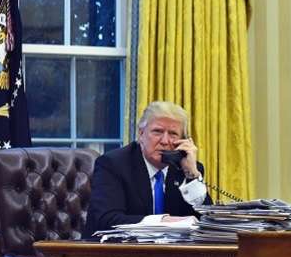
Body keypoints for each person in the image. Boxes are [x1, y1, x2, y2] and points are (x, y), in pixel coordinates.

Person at [83, 101, 212, 238]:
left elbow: (208, 222)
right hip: (118, 248)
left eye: (173, 134)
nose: (165, 141)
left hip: (173, 250)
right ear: (141, 134)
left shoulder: (186, 168)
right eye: (157, 131)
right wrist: (162, 222)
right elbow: (107, 220)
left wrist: (192, 175)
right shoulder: (113, 164)